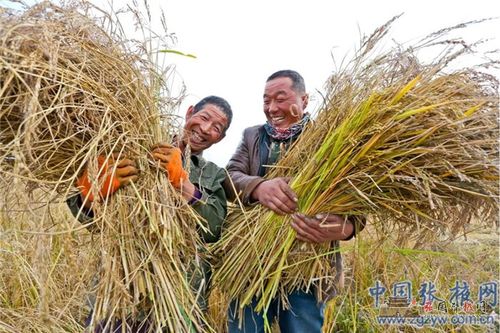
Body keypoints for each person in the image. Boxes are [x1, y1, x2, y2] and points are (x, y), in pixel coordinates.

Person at [67, 95, 233, 332]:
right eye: (204, 118)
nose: (205, 129)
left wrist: (184, 186)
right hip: (120, 288)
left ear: (221, 138)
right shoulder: (134, 145)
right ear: (189, 112)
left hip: (179, 297)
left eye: (216, 128)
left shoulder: (213, 173)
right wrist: (92, 192)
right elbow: (94, 222)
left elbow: (214, 229)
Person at [224, 70, 365, 333]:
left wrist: (345, 228)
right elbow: (230, 176)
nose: (272, 108)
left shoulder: (332, 138)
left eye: (280, 98)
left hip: (308, 266)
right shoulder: (252, 136)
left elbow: (358, 202)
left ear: (304, 100)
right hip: (252, 261)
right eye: (266, 100)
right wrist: (258, 187)